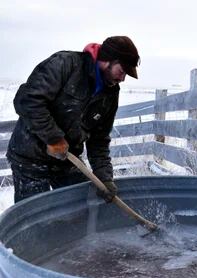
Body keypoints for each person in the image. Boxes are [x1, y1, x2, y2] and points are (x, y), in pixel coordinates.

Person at [6, 36, 140, 203]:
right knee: (36, 219)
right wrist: (53, 138)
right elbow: (27, 100)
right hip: (30, 157)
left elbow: (99, 140)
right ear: (108, 61)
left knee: (79, 210)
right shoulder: (66, 64)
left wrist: (104, 178)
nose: (122, 78)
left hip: (67, 160)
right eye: (122, 71)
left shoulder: (110, 94)